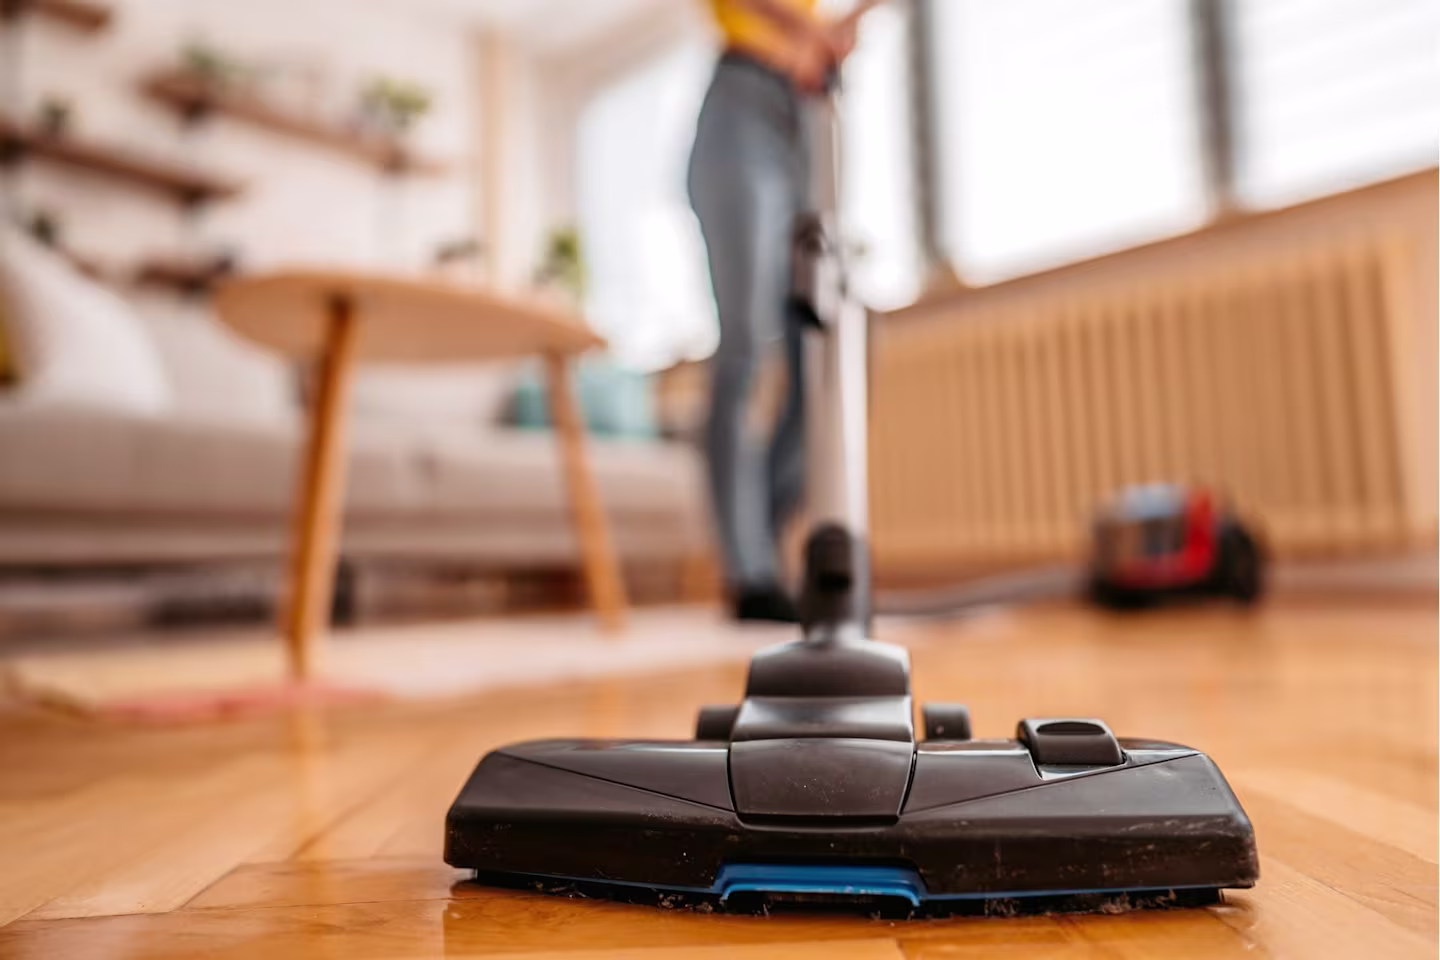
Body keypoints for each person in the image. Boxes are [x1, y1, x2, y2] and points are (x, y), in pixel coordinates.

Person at [689, 0, 883, 622]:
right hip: (741, 104)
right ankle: (748, 572)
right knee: (746, 346)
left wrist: (839, 30)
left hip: (809, 110)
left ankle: (767, 543)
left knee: (828, 345)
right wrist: (811, 31)